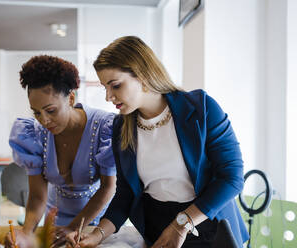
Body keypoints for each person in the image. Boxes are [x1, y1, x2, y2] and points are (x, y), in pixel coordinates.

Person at [67, 36, 249, 248]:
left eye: (115, 85)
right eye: (104, 87)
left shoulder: (202, 108)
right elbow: (125, 195)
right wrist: (97, 235)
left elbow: (232, 178)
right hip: (158, 231)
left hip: (208, 224)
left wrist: (181, 224)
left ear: (142, 75)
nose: (108, 96)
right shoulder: (120, 128)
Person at [5, 55, 117, 248]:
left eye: (51, 110)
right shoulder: (33, 134)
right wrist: (26, 232)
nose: (44, 120)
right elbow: (37, 196)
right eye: (36, 112)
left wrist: (73, 227)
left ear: (71, 98)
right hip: (56, 221)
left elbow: (108, 188)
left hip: (96, 222)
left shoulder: (104, 128)